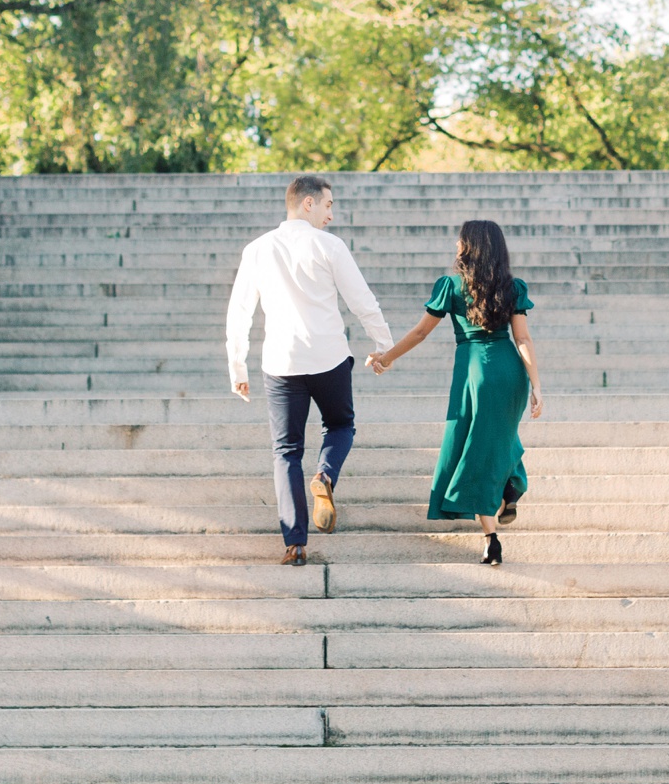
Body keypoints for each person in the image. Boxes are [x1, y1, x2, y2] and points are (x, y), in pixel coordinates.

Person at [227, 174, 393, 565]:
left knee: (285, 451)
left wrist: (238, 365)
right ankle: (324, 476)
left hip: (281, 364)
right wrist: (384, 346)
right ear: (308, 203)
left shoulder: (257, 249)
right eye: (328, 205)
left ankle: (295, 544)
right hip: (329, 357)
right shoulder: (329, 245)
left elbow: (239, 312)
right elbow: (361, 300)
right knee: (340, 426)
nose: (331, 215)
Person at [367, 219, 543, 566]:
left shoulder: (450, 285)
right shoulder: (513, 287)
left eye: (460, 240)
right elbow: (522, 338)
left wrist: (385, 358)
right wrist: (536, 384)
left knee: (472, 444)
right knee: (496, 439)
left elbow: (420, 333)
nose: (455, 245)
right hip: (510, 370)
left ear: (468, 246)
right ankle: (513, 484)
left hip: (474, 369)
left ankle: (492, 535)